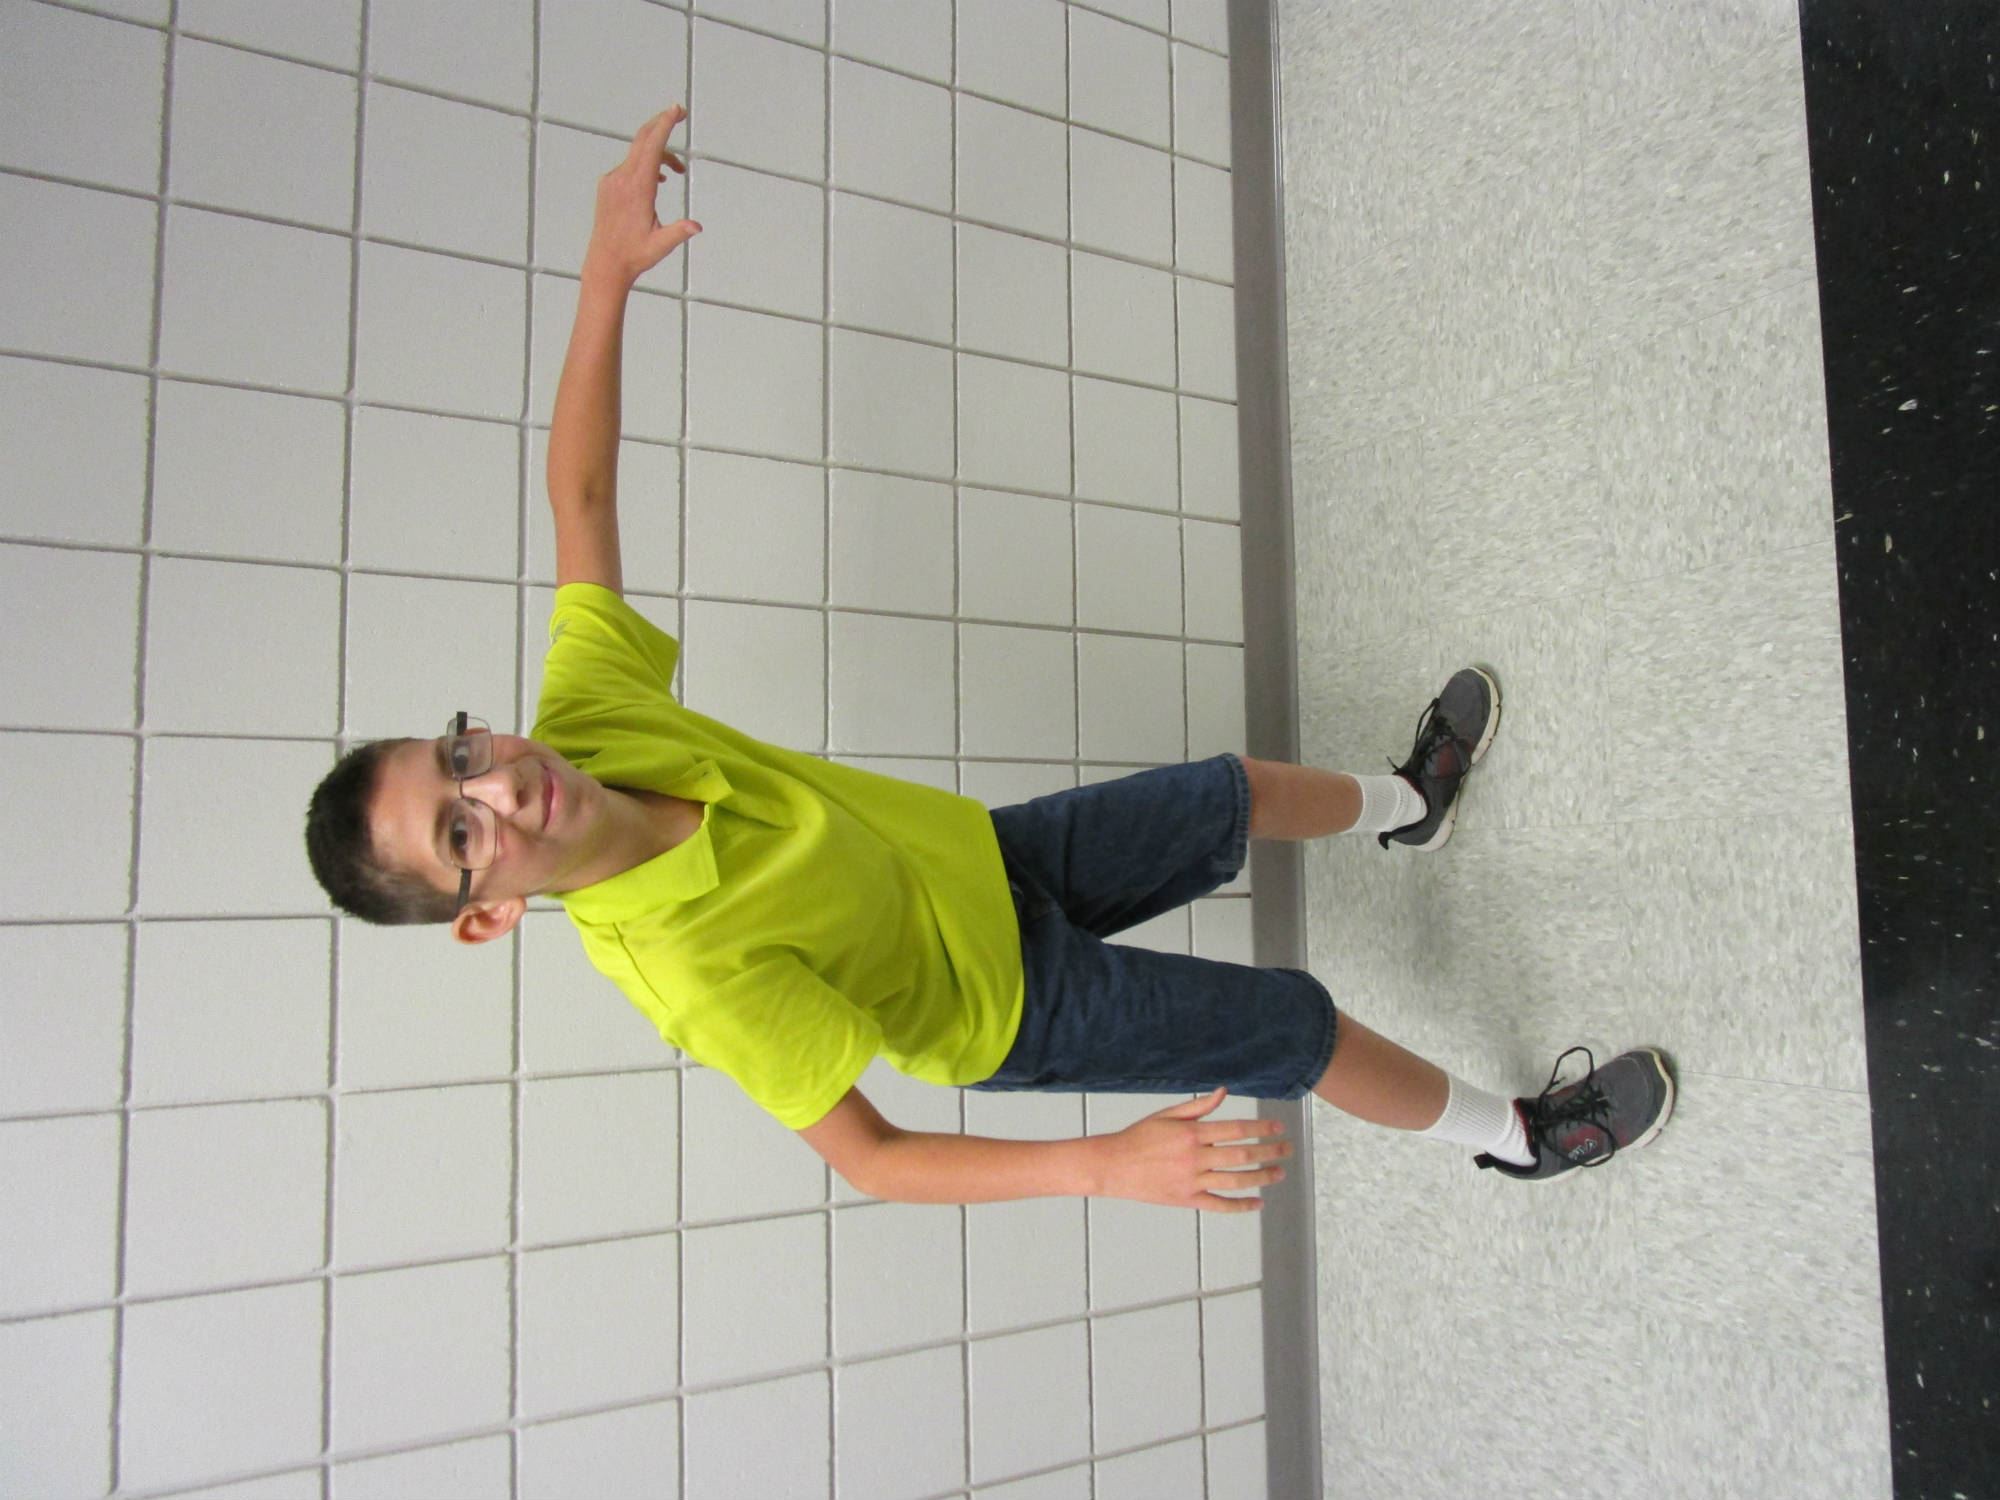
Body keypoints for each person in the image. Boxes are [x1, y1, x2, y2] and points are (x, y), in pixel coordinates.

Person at [305, 106, 1673, 1212]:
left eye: (459, 754)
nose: (498, 787)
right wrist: (1101, 1166)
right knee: (1291, 1026)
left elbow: (581, 494)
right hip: (1015, 1010)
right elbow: (873, 1157)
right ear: (485, 914)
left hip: (979, 860)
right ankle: (1523, 1138)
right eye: (461, 834)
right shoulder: (686, 971)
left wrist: (605, 274)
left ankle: (1410, 804)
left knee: (1231, 792)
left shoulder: (589, 715)